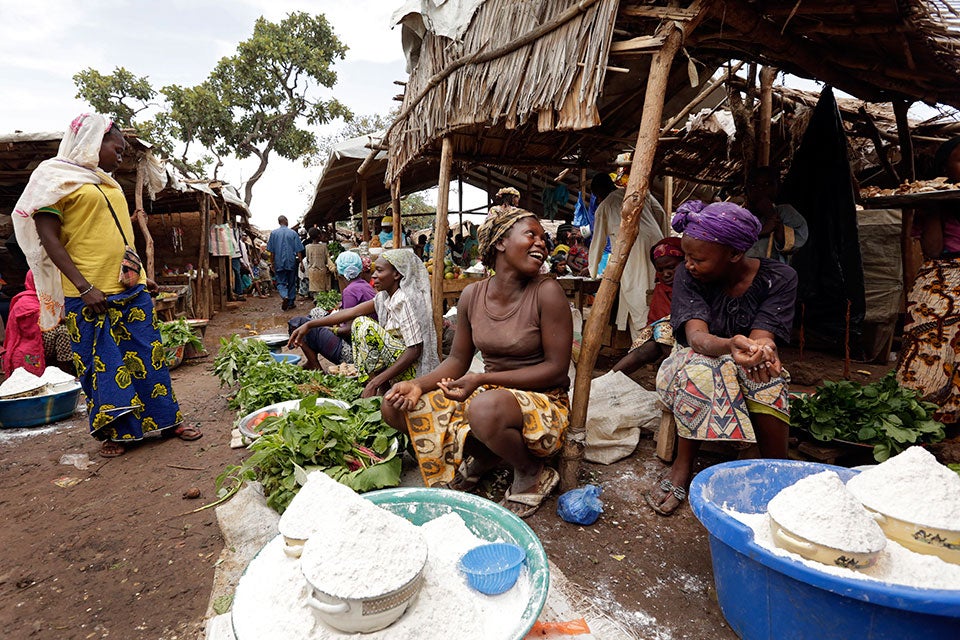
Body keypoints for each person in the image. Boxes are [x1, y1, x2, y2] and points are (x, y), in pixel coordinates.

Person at [12, 113, 192, 457]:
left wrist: (139, 275)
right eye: (118, 148)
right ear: (94, 142)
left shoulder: (105, 182)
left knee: (148, 355)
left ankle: (167, 421)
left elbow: (119, 235)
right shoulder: (54, 180)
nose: (121, 155)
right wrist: (82, 287)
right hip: (90, 293)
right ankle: (116, 432)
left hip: (129, 289)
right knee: (103, 365)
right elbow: (50, 239)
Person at [381, 207, 572, 518]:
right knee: (395, 404)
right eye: (531, 235)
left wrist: (481, 381)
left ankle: (532, 470)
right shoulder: (472, 295)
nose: (541, 243)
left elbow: (556, 370)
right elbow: (458, 359)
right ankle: (487, 456)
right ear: (500, 242)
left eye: (543, 237)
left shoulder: (546, 292)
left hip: (544, 402)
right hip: (491, 397)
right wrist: (416, 384)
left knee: (481, 408)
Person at [647, 200, 796, 516]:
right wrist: (731, 345)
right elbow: (697, 339)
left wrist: (762, 351)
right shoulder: (690, 277)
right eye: (687, 255)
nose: (687, 264)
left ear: (734, 254)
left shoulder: (780, 277)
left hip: (739, 358)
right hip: (689, 358)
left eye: (697, 258)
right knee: (704, 370)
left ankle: (772, 467)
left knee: (768, 374)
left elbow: (763, 335)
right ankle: (683, 464)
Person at [289, 248, 438, 396]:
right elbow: (351, 312)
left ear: (397, 274)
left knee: (362, 325)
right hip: (396, 360)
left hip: (411, 369)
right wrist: (309, 324)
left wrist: (376, 381)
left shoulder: (403, 300)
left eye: (379, 271)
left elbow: (415, 350)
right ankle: (381, 388)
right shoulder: (385, 297)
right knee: (358, 322)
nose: (374, 276)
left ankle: (376, 384)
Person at [896, 136, 960, 423]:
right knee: (927, 315)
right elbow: (933, 251)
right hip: (944, 269)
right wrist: (933, 205)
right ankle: (923, 409)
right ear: (945, 168)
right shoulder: (936, 198)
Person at [588, 173, 665, 337]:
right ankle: (657, 333)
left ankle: (644, 339)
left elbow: (598, 241)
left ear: (598, 194)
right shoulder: (636, 193)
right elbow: (660, 213)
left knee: (638, 292)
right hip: (657, 243)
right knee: (656, 286)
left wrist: (592, 271)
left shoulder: (605, 205)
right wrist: (661, 237)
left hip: (633, 248)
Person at [288, 251, 377, 370]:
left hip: (356, 353)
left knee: (299, 323)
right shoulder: (364, 286)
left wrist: (329, 329)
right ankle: (311, 361)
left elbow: (348, 330)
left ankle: (314, 365)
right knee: (316, 312)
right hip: (366, 344)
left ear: (338, 274)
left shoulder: (350, 291)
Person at [612, 237, 684, 376]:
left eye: (671, 267)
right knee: (647, 348)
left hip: (692, 334)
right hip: (666, 339)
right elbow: (658, 320)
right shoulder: (662, 289)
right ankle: (606, 381)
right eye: (661, 270)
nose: (666, 273)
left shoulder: (695, 285)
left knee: (663, 336)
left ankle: (680, 379)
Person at [743, 167, 808, 262]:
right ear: (747, 189)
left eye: (767, 184)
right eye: (754, 185)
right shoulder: (740, 216)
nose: (761, 189)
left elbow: (793, 245)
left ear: (777, 187)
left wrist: (772, 216)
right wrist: (761, 232)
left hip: (773, 274)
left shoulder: (785, 212)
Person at [266, 215, 305, 311]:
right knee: (292, 282)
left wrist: (272, 263)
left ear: (279, 222)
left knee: (280, 282)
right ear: (286, 221)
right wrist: (301, 263)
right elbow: (298, 251)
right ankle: (291, 302)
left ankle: (284, 296)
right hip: (291, 262)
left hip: (278, 262)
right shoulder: (293, 233)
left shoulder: (274, 233)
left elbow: (272, 252)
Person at [305, 227, 332, 297]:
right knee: (323, 290)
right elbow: (327, 259)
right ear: (319, 236)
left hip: (312, 271)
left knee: (315, 290)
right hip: (322, 271)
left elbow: (308, 259)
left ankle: (316, 300)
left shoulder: (307, 247)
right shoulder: (324, 246)